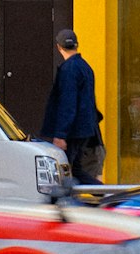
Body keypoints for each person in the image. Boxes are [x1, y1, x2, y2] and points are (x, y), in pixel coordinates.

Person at [41, 29, 103, 183]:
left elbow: (67, 104)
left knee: (64, 171)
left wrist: (61, 134)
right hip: (85, 130)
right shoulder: (86, 67)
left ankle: (103, 195)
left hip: (72, 132)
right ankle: (103, 194)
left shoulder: (68, 70)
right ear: (77, 45)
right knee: (75, 170)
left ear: (58, 47)